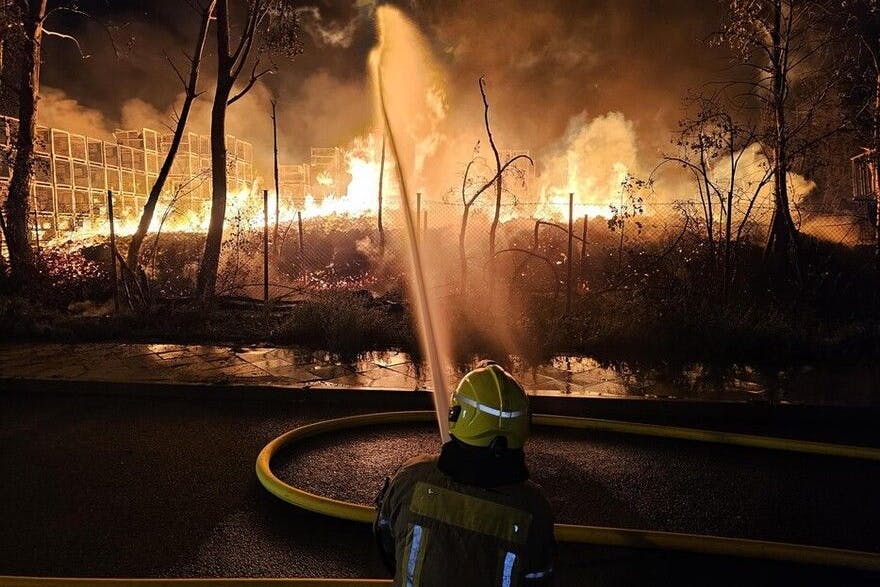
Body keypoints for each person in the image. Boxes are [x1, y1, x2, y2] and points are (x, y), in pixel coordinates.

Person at [374, 360, 555, 586]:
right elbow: (538, 578)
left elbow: (387, 543)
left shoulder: (410, 479)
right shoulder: (534, 508)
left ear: (456, 415)